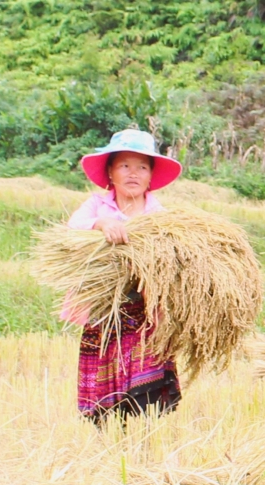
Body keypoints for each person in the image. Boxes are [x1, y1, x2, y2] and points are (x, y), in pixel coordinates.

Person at [65, 129, 184, 424]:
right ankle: (109, 442)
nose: (134, 173)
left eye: (142, 167)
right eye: (125, 166)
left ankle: (146, 442)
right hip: (105, 312)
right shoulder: (96, 206)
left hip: (147, 312)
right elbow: (71, 228)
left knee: (148, 390)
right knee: (107, 392)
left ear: (150, 176)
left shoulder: (160, 215)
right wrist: (101, 223)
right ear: (110, 172)